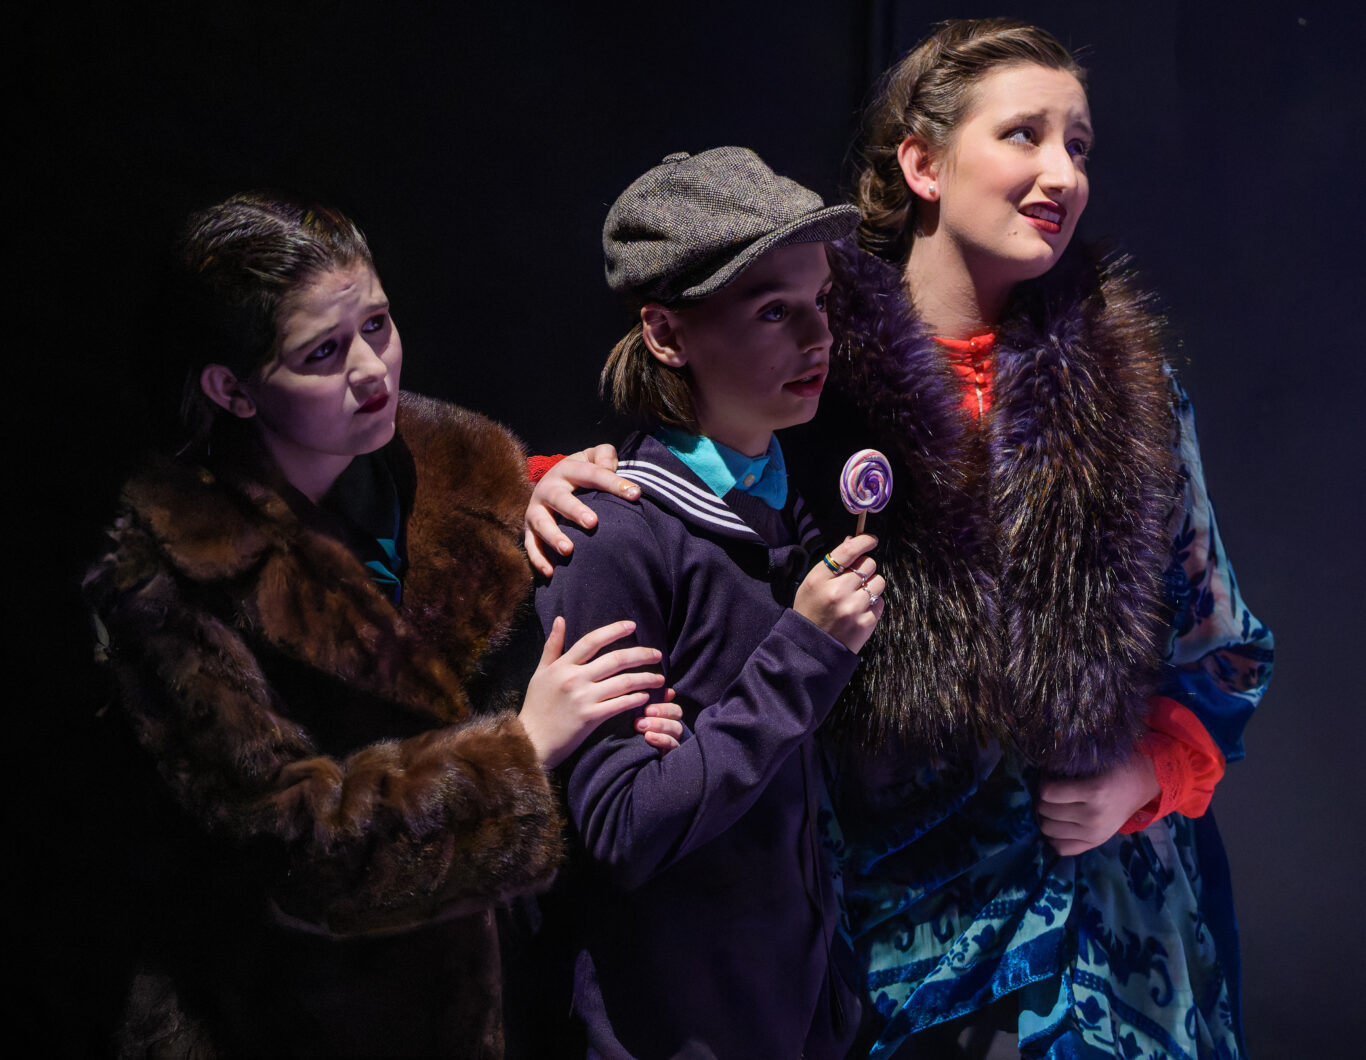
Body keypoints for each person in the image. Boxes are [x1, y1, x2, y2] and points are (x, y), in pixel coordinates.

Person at [83, 191, 683, 1059]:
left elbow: (480, 678)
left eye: (377, 324)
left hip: (495, 1002)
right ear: (231, 388)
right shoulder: (176, 578)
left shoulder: (452, 469)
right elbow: (302, 856)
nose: (372, 370)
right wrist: (524, 748)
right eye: (322, 352)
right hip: (291, 1020)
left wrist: (613, 722)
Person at [791, 18, 1274, 1058]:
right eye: (1024, 134)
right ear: (922, 164)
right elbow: (691, 498)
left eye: (1079, 145)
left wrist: (1139, 778)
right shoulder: (810, 382)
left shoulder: (1130, 396)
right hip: (889, 938)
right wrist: (560, 480)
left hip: (1102, 944)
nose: (1063, 174)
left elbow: (1224, 650)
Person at [533, 147, 882, 1059]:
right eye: (774, 311)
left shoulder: (790, 501)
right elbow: (622, 827)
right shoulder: (611, 536)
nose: (817, 336)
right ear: (666, 334)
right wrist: (805, 652)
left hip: (797, 1014)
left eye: (820, 301)